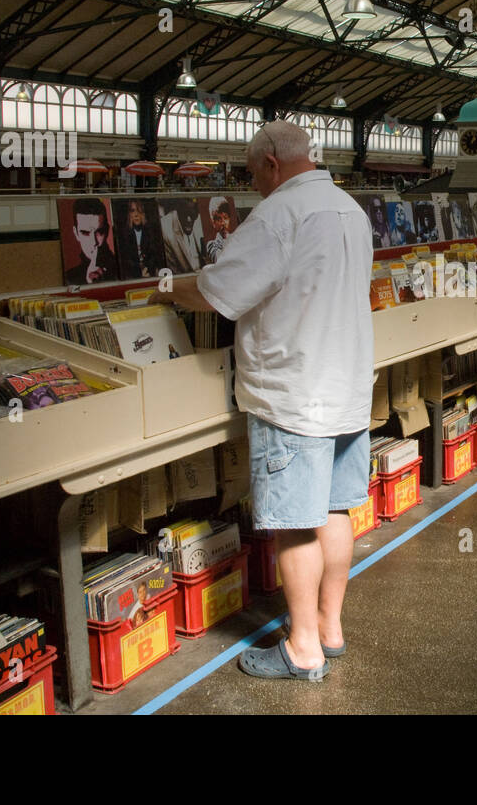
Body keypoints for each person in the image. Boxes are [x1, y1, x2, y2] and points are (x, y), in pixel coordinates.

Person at [153, 120, 373, 681]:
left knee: (295, 523)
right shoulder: (350, 208)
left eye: (252, 172)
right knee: (335, 510)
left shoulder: (278, 214)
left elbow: (216, 292)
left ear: (272, 163)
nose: (252, 185)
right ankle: (329, 627)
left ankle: (302, 648)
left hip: (292, 396)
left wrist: (163, 289)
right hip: (346, 391)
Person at [64, 197, 118, 284]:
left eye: (99, 232)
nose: (93, 242)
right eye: (85, 233)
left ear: (107, 230)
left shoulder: (123, 269)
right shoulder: (69, 277)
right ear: (76, 233)